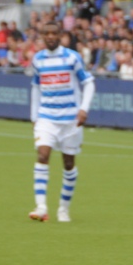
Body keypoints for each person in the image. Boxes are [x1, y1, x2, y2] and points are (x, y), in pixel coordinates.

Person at [28, 21, 96, 223]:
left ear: (60, 35)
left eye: (53, 33)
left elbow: (89, 83)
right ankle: (41, 207)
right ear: (41, 36)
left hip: (70, 121)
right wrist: (34, 117)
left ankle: (63, 209)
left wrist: (84, 108)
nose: (49, 36)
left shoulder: (72, 57)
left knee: (68, 164)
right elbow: (36, 88)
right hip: (47, 117)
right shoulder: (38, 60)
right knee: (43, 154)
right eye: (45, 33)